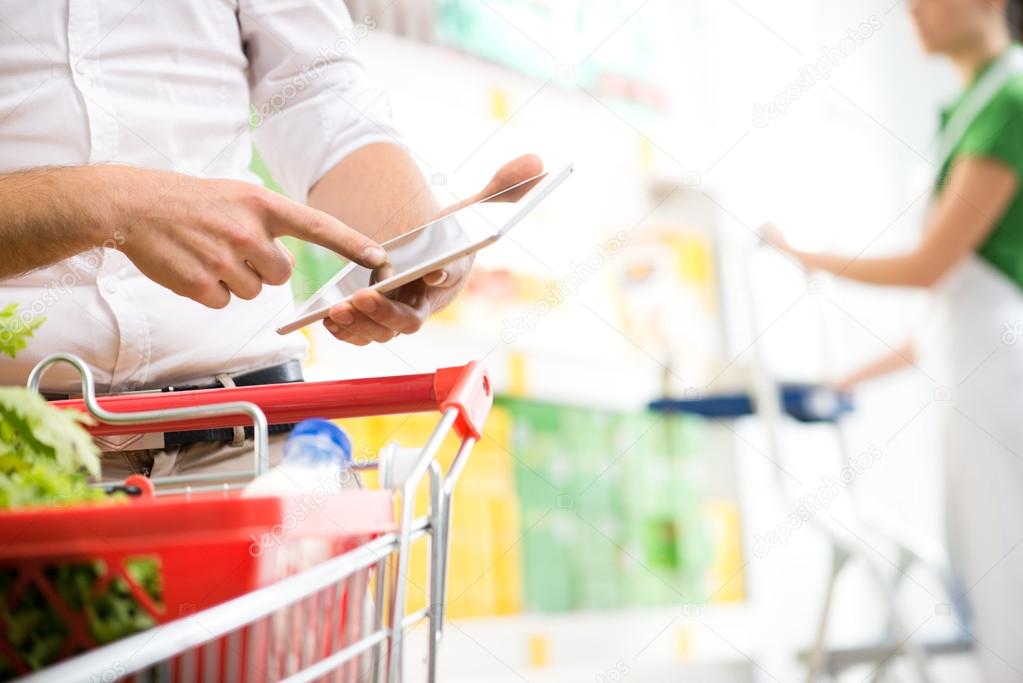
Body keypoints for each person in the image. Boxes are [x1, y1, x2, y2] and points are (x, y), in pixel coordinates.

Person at [0, 2, 540, 480]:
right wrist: (109, 204)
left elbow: (315, 90)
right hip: (18, 455)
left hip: (256, 441)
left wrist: (413, 245)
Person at [765, 0, 1023, 679]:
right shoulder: (971, 106)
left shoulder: (1013, 99)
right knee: (990, 587)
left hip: (998, 378)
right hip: (974, 369)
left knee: (1008, 590)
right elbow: (946, 315)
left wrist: (803, 256)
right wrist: (842, 379)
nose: (911, 9)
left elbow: (929, 266)